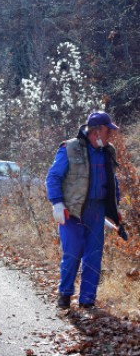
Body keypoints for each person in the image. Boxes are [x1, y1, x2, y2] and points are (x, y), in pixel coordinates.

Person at [45, 111, 126, 309]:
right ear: (96, 131)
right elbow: (53, 177)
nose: (111, 135)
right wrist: (57, 203)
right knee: (72, 253)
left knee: (93, 256)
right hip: (72, 211)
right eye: (109, 131)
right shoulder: (70, 148)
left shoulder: (108, 151)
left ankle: (87, 301)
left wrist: (115, 209)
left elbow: (111, 181)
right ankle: (64, 295)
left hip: (97, 211)